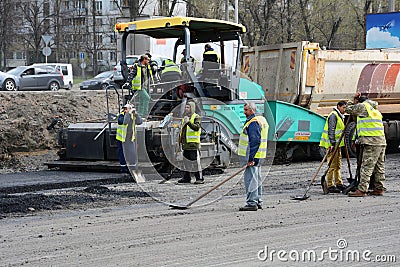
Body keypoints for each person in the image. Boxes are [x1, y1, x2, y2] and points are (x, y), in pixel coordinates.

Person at [345, 92, 386, 197]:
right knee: (379, 166)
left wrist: (352, 100)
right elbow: (357, 119)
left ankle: (362, 190)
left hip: (371, 141)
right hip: (381, 141)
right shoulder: (374, 109)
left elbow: (347, 109)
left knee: (366, 166)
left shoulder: (363, 106)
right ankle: (379, 188)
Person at [238, 102, 269, 211]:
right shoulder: (262, 120)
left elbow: (254, 141)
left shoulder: (253, 122)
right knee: (257, 179)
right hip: (260, 155)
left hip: (253, 157)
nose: (244, 112)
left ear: (252, 110)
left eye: (246, 110)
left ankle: (252, 203)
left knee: (251, 180)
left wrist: (250, 159)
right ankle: (258, 201)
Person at [319, 101, 347, 193]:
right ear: (338, 106)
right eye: (343, 108)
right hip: (332, 145)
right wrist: (332, 143)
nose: (345, 110)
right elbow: (331, 130)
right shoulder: (333, 115)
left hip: (337, 145)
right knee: (332, 165)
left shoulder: (339, 116)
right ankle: (330, 185)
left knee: (338, 164)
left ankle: (339, 183)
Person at [177, 101, 203, 184]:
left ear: (192, 108)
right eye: (186, 107)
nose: (186, 109)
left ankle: (199, 178)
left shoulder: (196, 117)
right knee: (186, 162)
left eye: (188, 107)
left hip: (193, 143)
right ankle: (187, 177)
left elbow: (197, 128)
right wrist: (180, 140)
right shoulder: (185, 117)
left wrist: (188, 122)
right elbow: (183, 130)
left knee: (195, 162)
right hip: (186, 144)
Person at [116, 103, 143, 173]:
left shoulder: (132, 116)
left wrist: (136, 114)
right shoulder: (121, 116)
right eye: (129, 108)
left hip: (130, 138)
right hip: (122, 139)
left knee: (132, 154)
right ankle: (123, 169)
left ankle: (133, 169)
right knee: (122, 154)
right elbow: (125, 122)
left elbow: (140, 122)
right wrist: (128, 113)